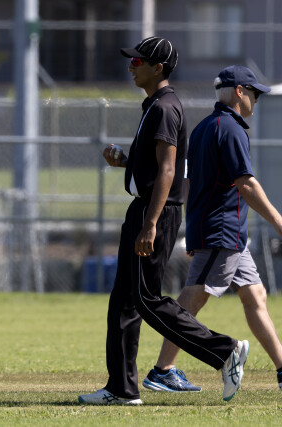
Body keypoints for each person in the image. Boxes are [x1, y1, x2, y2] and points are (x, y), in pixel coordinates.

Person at [78, 37, 248, 405]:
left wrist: (151, 223)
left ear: (159, 68)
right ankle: (122, 389)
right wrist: (127, 163)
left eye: (138, 61)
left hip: (155, 212)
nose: (131, 66)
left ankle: (225, 351)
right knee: (123, 302)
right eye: (132, 60)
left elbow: (169, 169)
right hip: (144, 209)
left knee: (145, 299)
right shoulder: (155, 104)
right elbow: (156, 166)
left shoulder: (166, 108)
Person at [142, 65, 282, 393]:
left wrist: (193, 228)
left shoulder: (205, 126)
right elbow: (246, 183)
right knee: (194, 297)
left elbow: (191, 184)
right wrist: (278, 221)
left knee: (255, 295)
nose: (256, 99)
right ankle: (162, 370)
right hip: (222, 230)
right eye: (254, 93)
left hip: (220, 230)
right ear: (239, 92)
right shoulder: (231, 129)